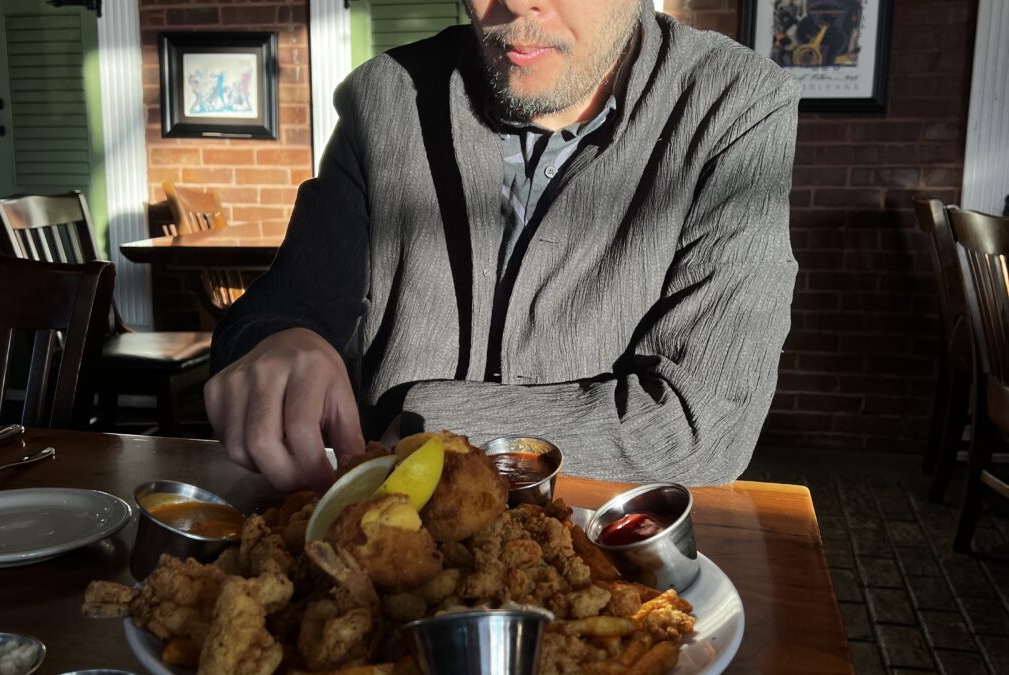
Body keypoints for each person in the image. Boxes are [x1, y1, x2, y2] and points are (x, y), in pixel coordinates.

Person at [205, 0, 801, 494]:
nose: (515, 2)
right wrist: (278, 341)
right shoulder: (383, 97)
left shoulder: (736, 105)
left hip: (603, 567)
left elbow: (704, 427)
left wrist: (424, 424)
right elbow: (288, 306)